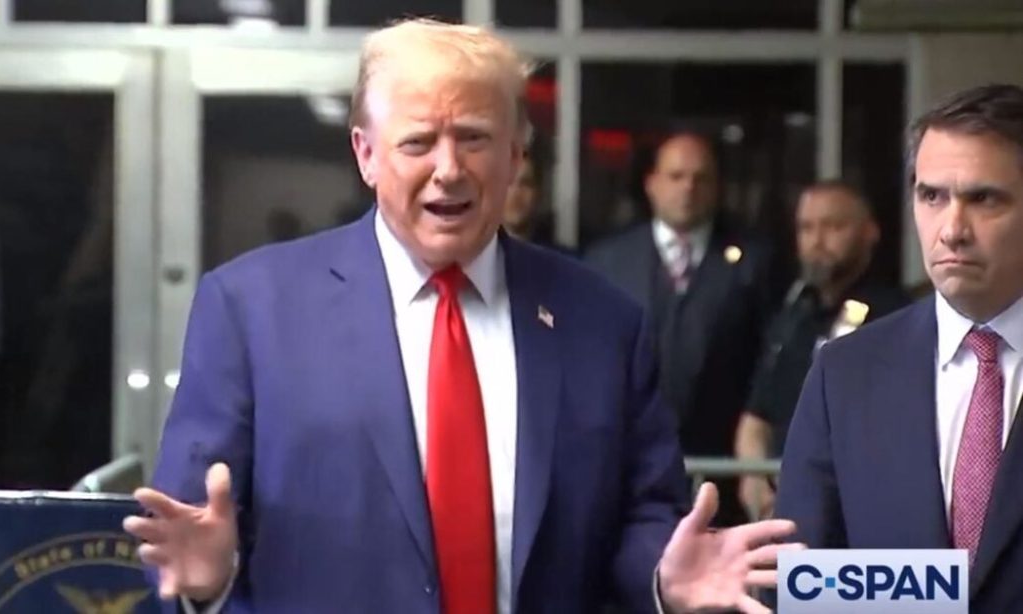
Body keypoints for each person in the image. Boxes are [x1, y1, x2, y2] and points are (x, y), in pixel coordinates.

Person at [124, 19, 799, 614]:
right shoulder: (251, 309)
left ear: (515, 156)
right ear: (366, 154)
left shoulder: (604, 323)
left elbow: (641, 513)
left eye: (474, 138)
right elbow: (192, 524)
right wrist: (208, 579)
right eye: (418, 142)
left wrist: (662, 577)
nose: (449, 169)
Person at [775, 83, 1023, 611]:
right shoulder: (845, 373)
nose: (952, 230)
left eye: (983, 199)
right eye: (932, 196)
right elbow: (804, 585)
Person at [584, 131, 775, 526]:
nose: (688, 188)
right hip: (628, 473)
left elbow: (767, 361)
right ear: (651, 183)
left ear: (717, 187)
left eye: (701, 178)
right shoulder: (607, 261)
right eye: (676, 176)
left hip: (723, 476)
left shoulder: (755, 263)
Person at [736, 180, 909, 518]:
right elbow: (756, 416)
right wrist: (755, 481)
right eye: (806, 228)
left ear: (869, 232)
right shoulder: (793, 315)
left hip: (856, 510)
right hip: (781, 510)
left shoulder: (896, 317)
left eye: (833, 226)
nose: (817, 240)